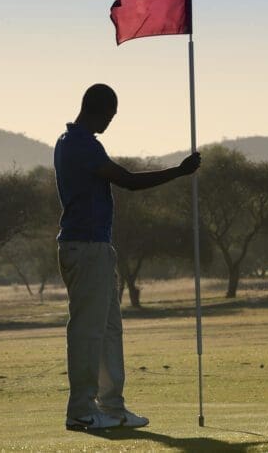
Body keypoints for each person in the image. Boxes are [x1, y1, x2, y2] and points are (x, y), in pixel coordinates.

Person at [54, 83, 201, 431]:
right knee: (88, 331)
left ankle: (113, 408)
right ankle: (81, 410)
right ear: (98, 109)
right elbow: (129, 182)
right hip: (85, 246)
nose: (110, 122)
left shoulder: (75, 141)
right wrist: (179, 171)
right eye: (110, 115)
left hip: (96, 247)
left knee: (108, 330)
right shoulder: (79, 144)